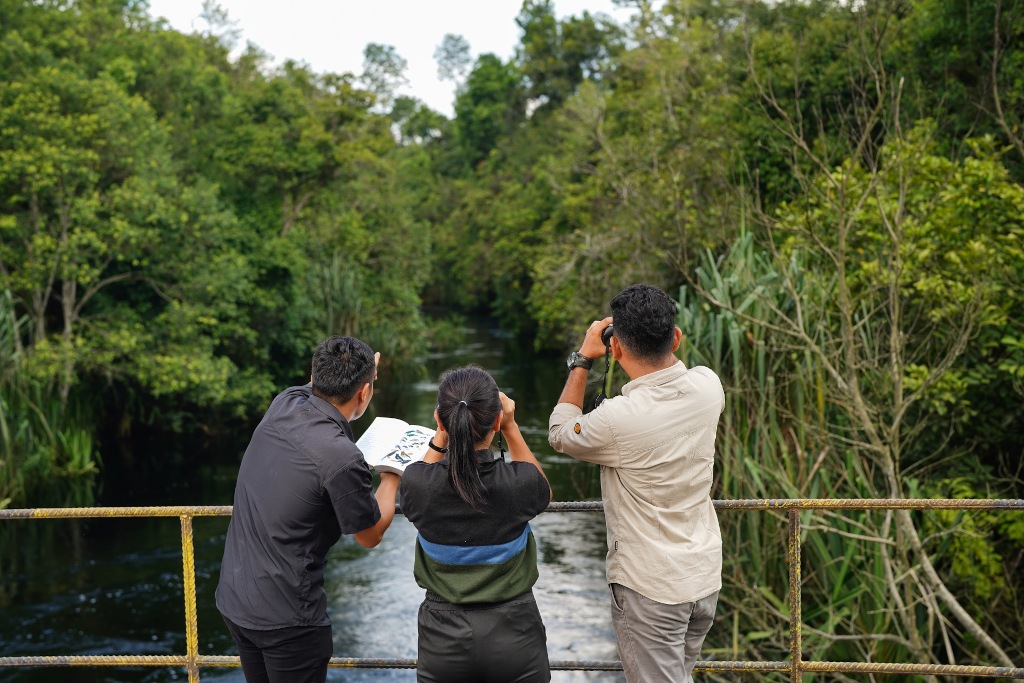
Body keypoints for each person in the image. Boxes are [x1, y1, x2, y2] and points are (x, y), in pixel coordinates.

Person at [548, 284, 724, 683]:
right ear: (675, 337)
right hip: (702, 578)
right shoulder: (709, 386)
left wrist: (582, 360)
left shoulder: (617, 419)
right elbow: (672, 377)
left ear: (617, 349)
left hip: (651, 588)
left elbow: (560, 432)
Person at [215, 336, 401, 683]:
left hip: (236, 600)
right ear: (364, 394)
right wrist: (392, 475)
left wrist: (366, 372)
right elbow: (369, 534)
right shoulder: (342, 458)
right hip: (288, 620)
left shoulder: (284, 402)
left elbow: (318, 385)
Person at [400, 366, 553, 683]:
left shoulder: (418, 485)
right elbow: (543, 488)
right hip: (516, 633)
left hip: (442, 637)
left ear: (440, 421)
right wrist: (510, 428)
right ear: (496, 421)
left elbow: (416, 480)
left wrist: (442, 434)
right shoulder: (518, 485)